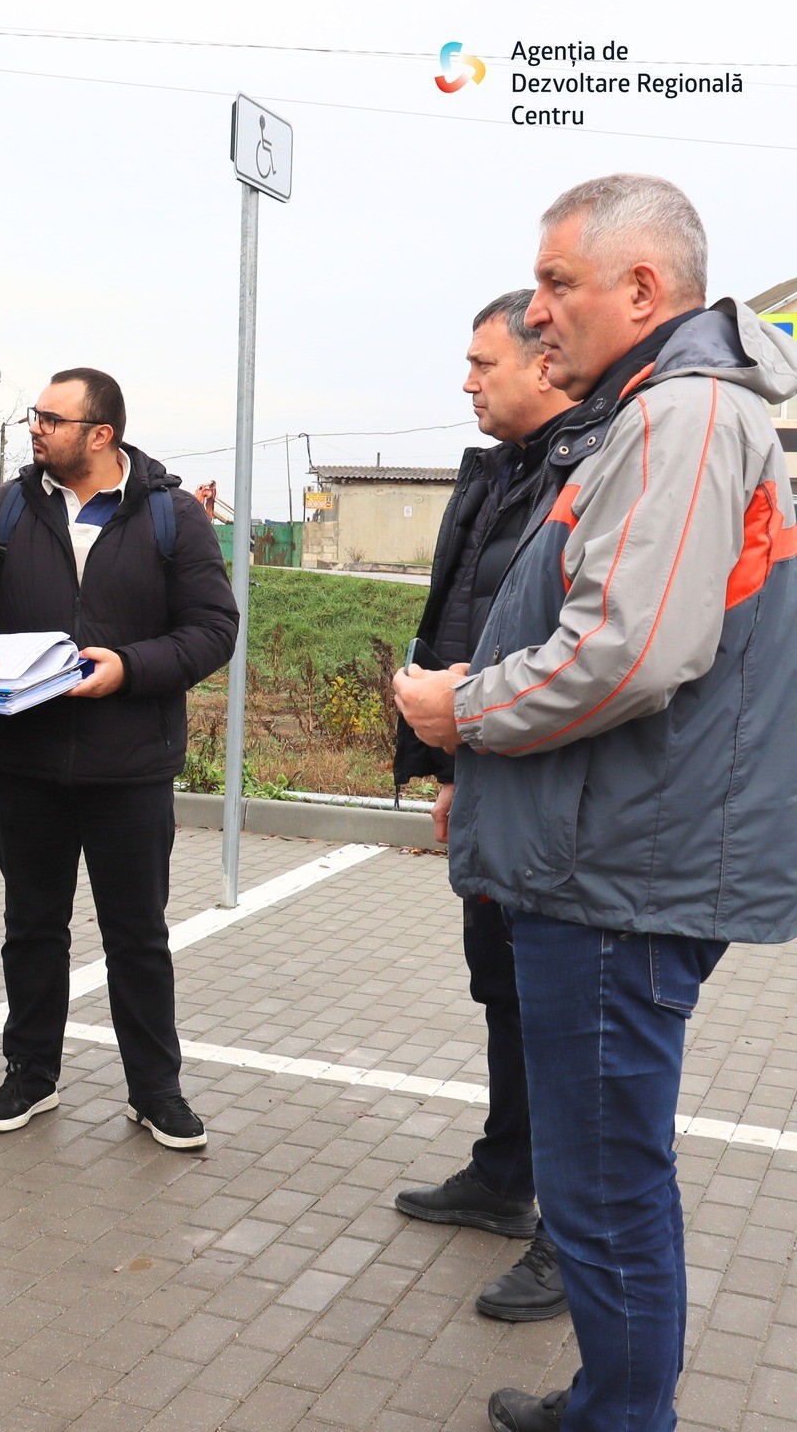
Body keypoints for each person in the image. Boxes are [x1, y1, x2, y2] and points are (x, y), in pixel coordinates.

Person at [395, 174, 797, 1432]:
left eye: (556, 283)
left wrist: (460, 711)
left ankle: (622, 1420)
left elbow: (626, 653)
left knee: (604, 1185)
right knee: (601, 1170)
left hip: (615, 873)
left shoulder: (678, 415)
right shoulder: (658, 411)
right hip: (611, 851)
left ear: (640, 288)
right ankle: (607, 1404)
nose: (535, 310)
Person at [0, 368, 238, 1149]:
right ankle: (30, 1073)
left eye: (51, 418)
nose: (36, 427)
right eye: (37, 415)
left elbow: (212, 628)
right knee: (31, 926)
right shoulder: (9, 508)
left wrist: (130, 667)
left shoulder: (171, 517)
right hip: (24, 761)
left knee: (137, 935)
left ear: (101, 434)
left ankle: (155, 1091)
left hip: (131, 766)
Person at [388, 291, 573, 1327]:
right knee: (501, 982)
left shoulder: (590, 472)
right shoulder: (498, 474)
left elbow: (576, 648)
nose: (464, 383)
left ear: (543, 364)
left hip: (552, 783)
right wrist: (449, 768)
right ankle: (504, 1174)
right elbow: (457, 619)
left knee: (565, 1008)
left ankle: (571, 1236)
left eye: (480, 363)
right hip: (489, 767)